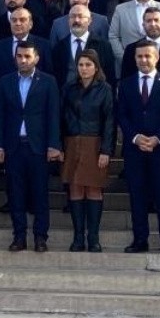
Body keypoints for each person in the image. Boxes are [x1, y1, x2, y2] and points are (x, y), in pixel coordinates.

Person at [0, 41, 62, 252]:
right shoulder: (6, 82)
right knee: (16, 194)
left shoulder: (48, 82)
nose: (23, 60)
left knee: (40, 194)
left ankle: (41, 237)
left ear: (36, 58)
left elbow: (53, 115)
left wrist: (53, 145)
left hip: (38, 147)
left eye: (27, 56)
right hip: (14, 146)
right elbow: (0, 116)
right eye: (20, 56)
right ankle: (19, 236)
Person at [116, 41, 160, 254]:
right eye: (139, 56)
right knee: (137, 195)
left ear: (157, 57)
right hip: (134, 149)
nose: (143, 60)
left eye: (147, 56)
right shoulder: (125, 84)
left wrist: (157, 138)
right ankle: (139, 240)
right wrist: (135, 137)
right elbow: (122, 115)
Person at [60, 50, 114, 252]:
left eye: (88, 65)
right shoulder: (69, 88)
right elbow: (61, 117)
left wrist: (106, 150)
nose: (84, 68)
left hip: (95, 143)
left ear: (96, 67)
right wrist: (60, 146)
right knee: (75, 188)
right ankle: (77, 237)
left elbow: (109, 120)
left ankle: (93, 237)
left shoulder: (104, 89)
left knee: (93, 189)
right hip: (72, 142)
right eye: (81, 65)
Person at [51, 5, 115, 89]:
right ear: (68, 20)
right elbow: (56, 77)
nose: (76, 20)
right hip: (67, 98)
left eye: (80, 16)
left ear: (89, 21)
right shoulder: (59, 47)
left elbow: (110, 77)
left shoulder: (103, 45)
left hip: (95, 99)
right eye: (73, 16)